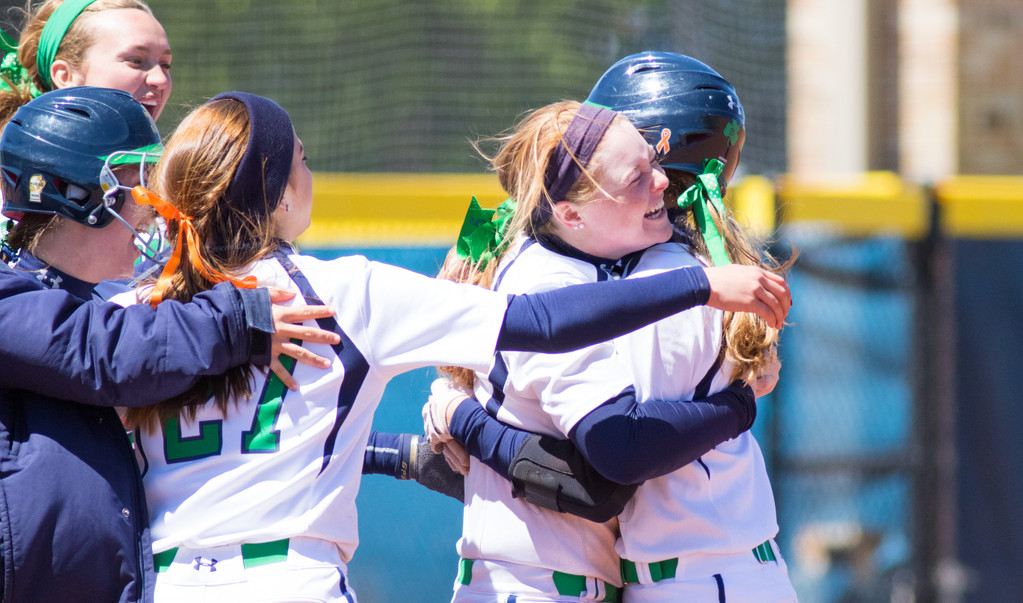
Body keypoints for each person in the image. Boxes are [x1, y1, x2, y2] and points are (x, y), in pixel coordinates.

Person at [121, 91, 790, 602]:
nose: (309, 171)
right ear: (277, 192)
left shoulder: (134, 308)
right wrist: (701, 285)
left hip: (170, 580)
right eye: (302, 159)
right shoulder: (344, 292)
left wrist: (416, 442)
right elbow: (545, 323)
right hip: (295, 579)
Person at [428, 52, 798, 603]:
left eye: (648, 163)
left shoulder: (655, 274)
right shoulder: (612, 275)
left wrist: (463, 415)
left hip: (695, 578)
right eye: (630, 168)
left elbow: (610, 464)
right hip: (679, 577)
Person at [0, 87, 342, 603]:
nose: (154, 207)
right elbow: (104, 355)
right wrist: (239, 318)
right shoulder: (14, 299)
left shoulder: (111, 310)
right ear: (77, 195)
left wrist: (390, 453)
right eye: (137, 185)